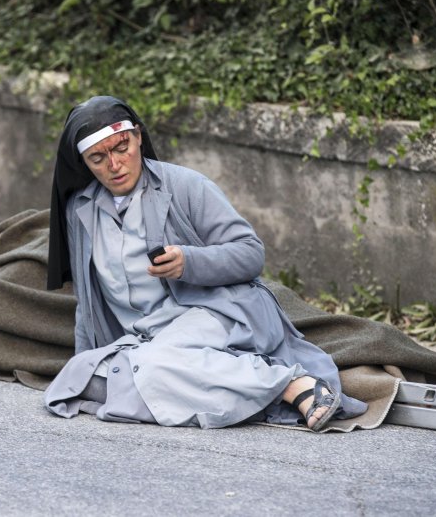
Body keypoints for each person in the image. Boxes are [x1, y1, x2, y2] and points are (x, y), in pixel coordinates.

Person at [44, 95, 368, 430]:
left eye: (122, 148)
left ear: (138, 137)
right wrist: (86, 357)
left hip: (214, 313)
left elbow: (251, 253)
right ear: (83, 162)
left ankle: (292, 384)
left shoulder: (186, 185)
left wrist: (188, 261)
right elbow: (86, 300)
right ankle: (247, 390)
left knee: (151, 369)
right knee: (87, 378)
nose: (114, 165)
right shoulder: (79, 211)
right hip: (146, 340)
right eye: (98, 157)